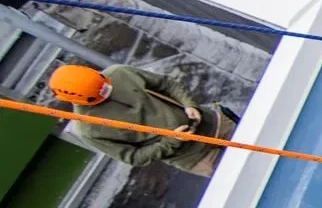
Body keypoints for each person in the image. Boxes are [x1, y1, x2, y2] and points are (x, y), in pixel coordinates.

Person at [49, 63, 237, 177]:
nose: (108, 91)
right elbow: (134, 157)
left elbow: (166, 84)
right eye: (101, 94)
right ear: (81, 99)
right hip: (193, 158)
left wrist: (189, 104)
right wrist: (171, 141)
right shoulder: (89, 129)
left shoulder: (119, 73)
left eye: (104, 85)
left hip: (215, 124)